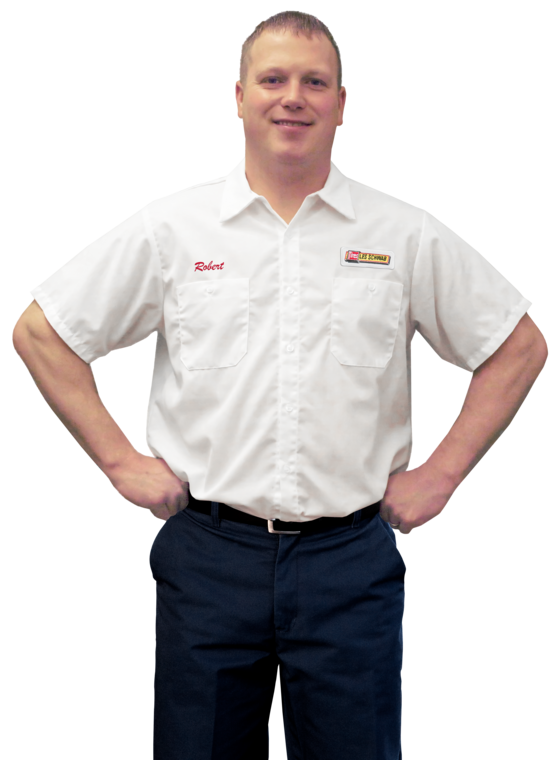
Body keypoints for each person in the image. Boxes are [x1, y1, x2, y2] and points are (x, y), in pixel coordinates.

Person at [11, 9, 547, 760]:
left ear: (341, 103)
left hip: (349, 563)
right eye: (273, 79)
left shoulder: (401, 233)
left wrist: (443, 474)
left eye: (314, 82)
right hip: (209, 557)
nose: (293, 97)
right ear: (239, 97)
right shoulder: (175, 227)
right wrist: (118, 462)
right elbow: (42, 332)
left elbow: (518, 346)